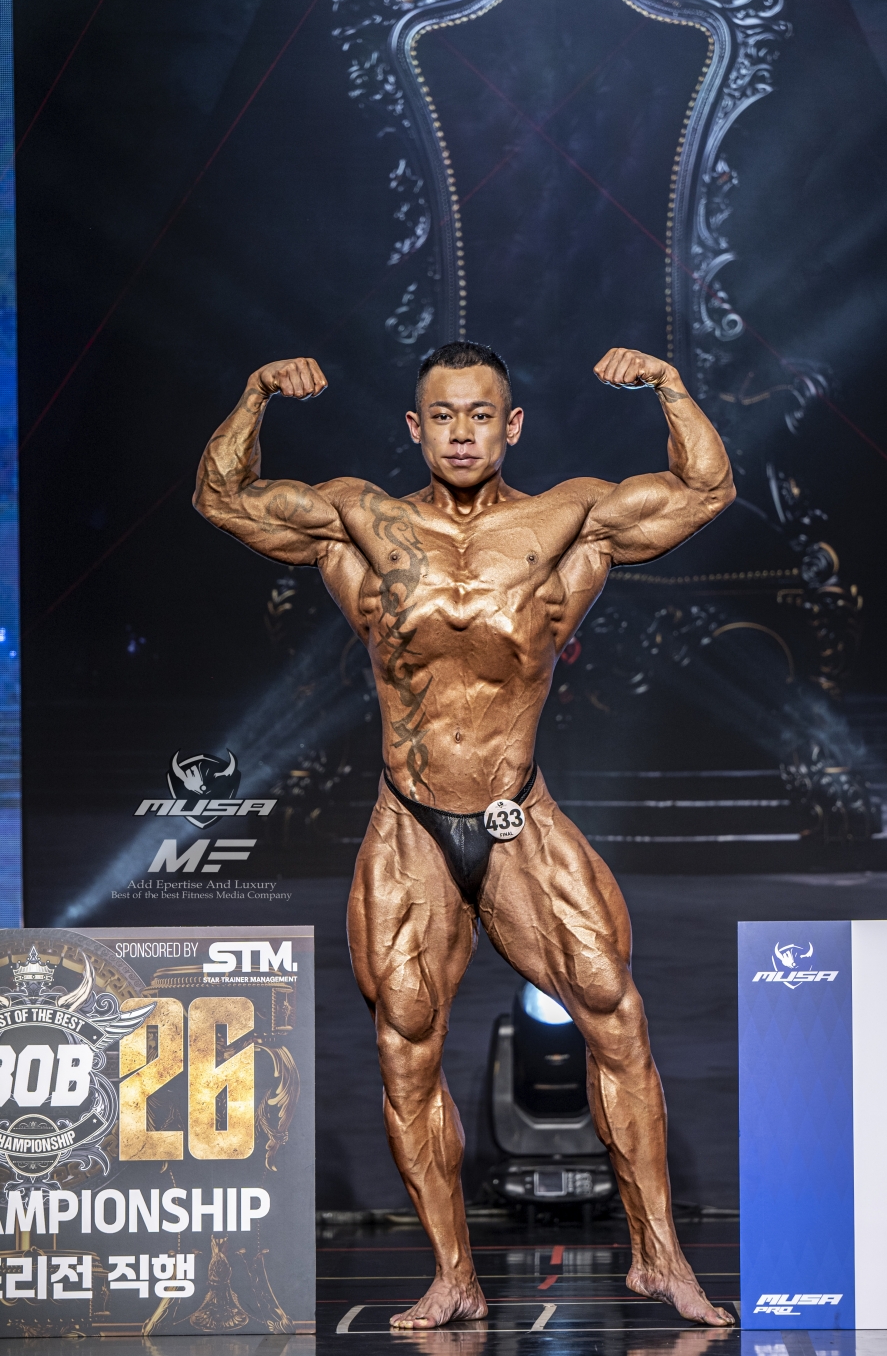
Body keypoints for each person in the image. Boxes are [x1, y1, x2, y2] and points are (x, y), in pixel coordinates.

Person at [194, 341, 736, 1328]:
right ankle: (454, 1275)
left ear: (510, 425)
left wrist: (668, 386)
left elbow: (705, 489)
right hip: (408, 820)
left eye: (479, 414)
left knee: (613, 1012)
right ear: (414, 427)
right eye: (441, 415)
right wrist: (255, 392)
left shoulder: (566, 519)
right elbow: (221, 497)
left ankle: (659, 1258)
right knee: (405, 1044)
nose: (459, 432)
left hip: (516, 810)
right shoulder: (361, 519)